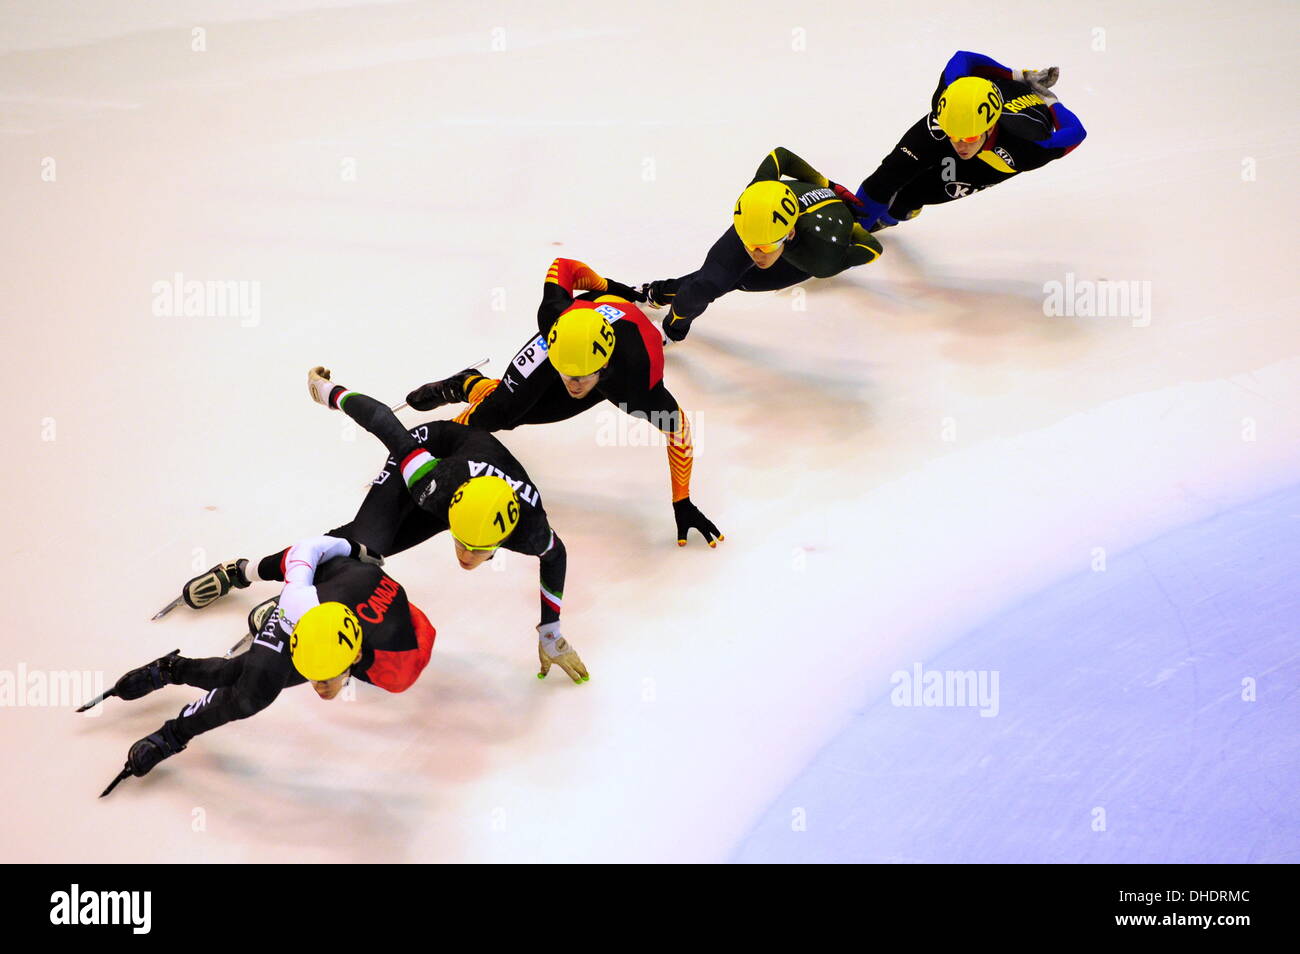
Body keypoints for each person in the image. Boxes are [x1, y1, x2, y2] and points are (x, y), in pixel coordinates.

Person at [406, 257, 724, 547]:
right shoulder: (553, 316)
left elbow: (678, 429)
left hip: (613, 360)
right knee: (495, 414)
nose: (571, 386)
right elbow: (563, 266)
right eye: (566, 375)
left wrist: (682, 501)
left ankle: (470, 383)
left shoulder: (637, 383)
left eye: (580, 379)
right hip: (562, 340)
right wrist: (608, 286)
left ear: (603, 369)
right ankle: (469, 387)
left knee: (521, 414)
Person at [91, 538, 438, 796]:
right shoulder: (297, 604)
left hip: (350, 608)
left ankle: (173, 680)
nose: (319, 688)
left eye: (325, 679)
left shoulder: (399, 666)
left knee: (244, 682)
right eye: (315, 678)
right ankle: (173, 688)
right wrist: (245, 571)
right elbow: (306, 550)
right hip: (306, 608)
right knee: (248, 694)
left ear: (355, 658)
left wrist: (356, 552)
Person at [639, 146, 884, 342]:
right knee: (708, 283)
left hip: (801, 256)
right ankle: (661, 305)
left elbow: (873, 248)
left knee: (738, 281)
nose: (755, 254)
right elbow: (781, 155)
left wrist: (854, 229)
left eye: (764, 248)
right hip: (773, 221)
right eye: (749, 243)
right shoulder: (758, 193)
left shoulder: (822, 255)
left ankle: (663, 310)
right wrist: (826, 183)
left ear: (788, 234)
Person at [851, 50, 1087, 231]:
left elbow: (1075, 132)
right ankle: (854, 223)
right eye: (954, 137)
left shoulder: (1026, 144)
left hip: (993, 160)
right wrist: (1017, 74)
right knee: (891, 173)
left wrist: (1050, 100)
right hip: (962, 119)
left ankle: (891, 217)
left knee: (914, 193)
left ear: (990, 126)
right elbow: (963, 57)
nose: (959, 145)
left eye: (969, 138)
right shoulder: (950, 92)